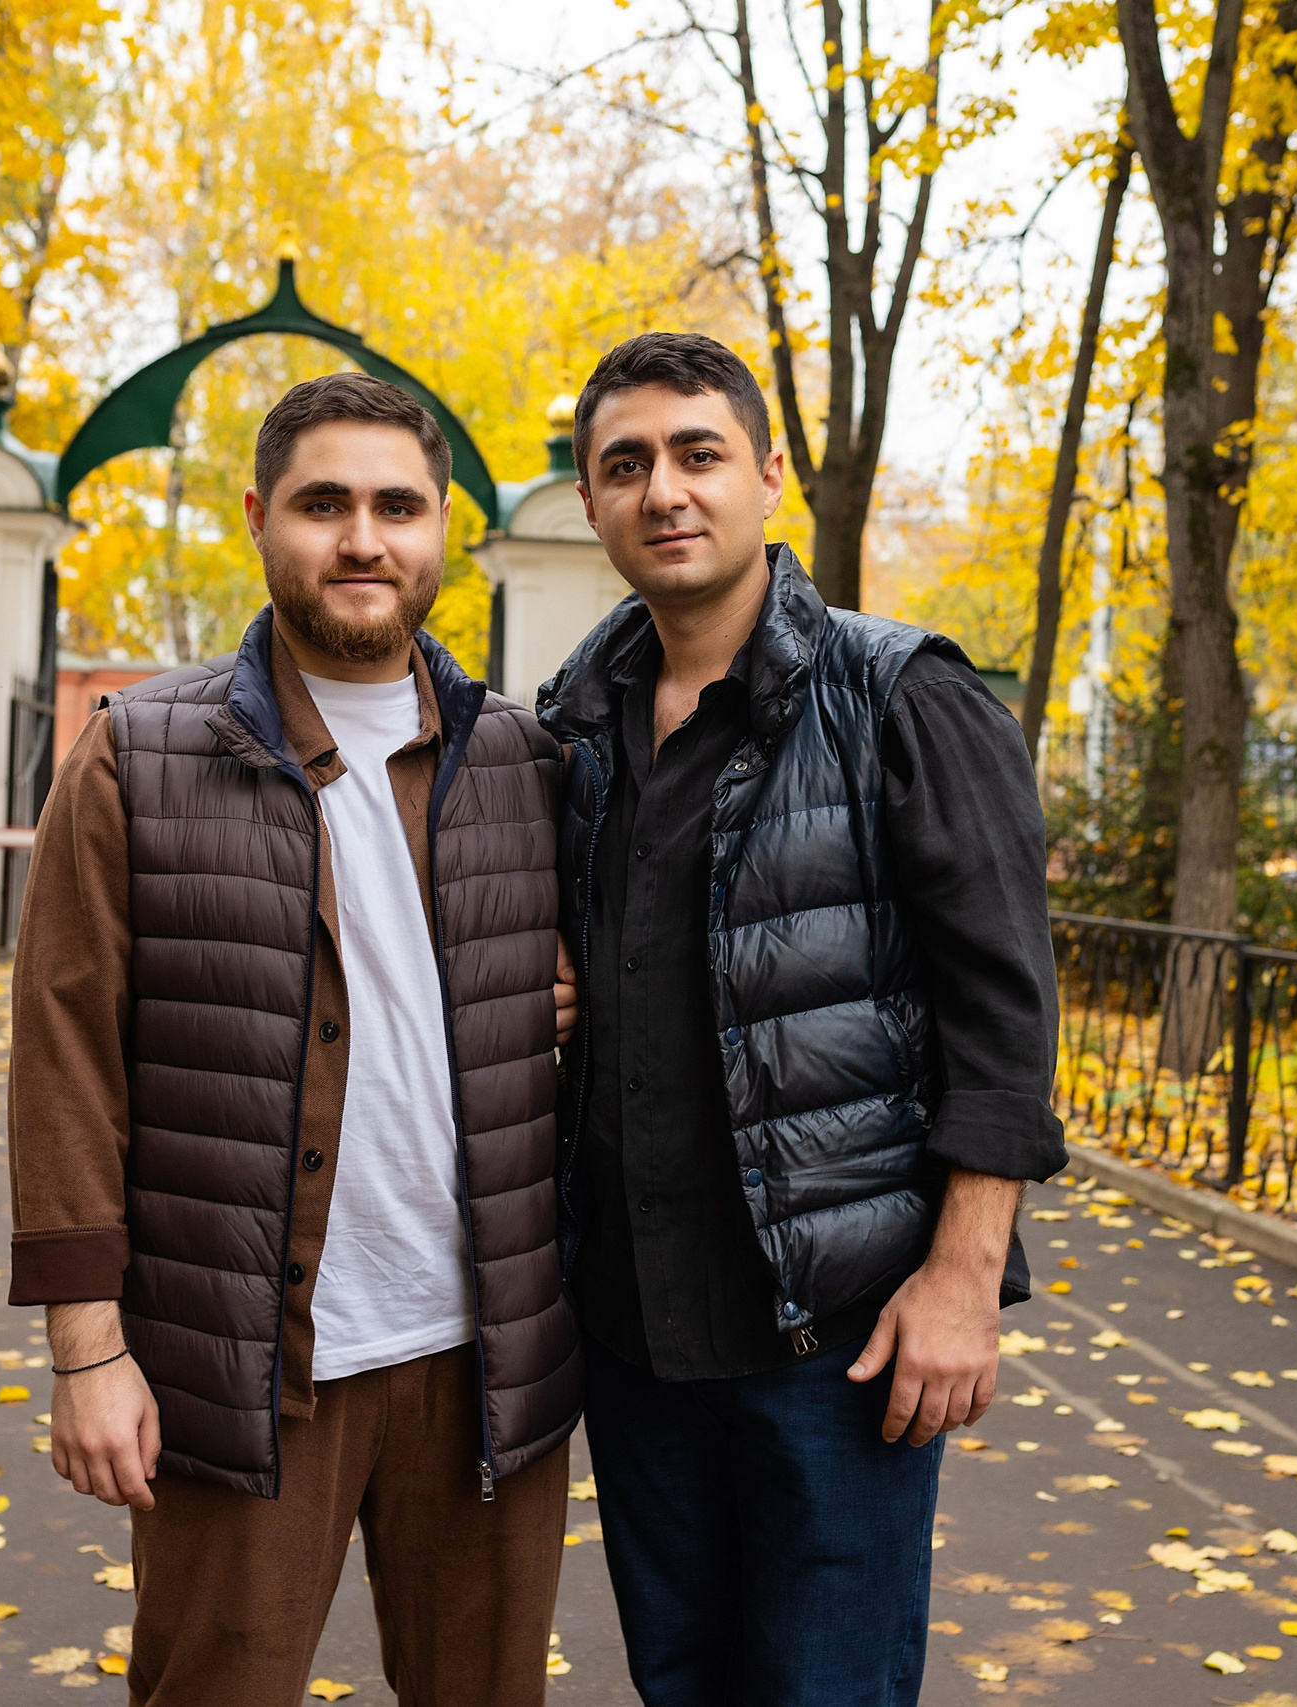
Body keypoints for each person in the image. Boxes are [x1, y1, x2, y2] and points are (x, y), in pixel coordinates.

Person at [5, 371, 581, 1705]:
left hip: (490, 1361)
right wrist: (86, 1350)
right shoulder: (138, 755)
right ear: (261, 518)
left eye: (397, 507)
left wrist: (580, 994)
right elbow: (64, 1059)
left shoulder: (526, 762)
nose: (363, 539)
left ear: (444, 529)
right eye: (325, 504)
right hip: (243, 1361)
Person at [535, 332, 1068, 1706]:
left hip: (834, 1334)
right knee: (684, 1683)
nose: (665, 491)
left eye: (698, 453)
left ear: (769, 476)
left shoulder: (903, 696)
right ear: (590, 502)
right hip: (635, 1333)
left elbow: (1006, 1018)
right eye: (626, 465)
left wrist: (964, 1279)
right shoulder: (571, 730)